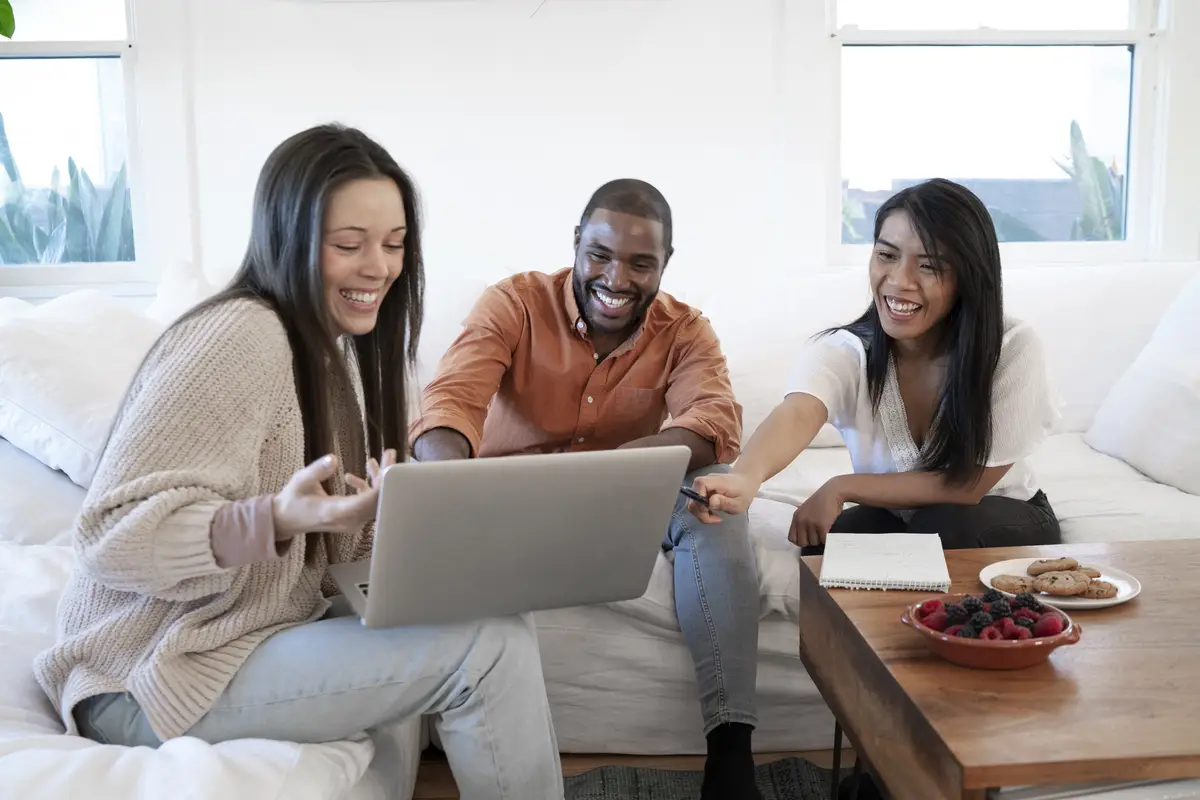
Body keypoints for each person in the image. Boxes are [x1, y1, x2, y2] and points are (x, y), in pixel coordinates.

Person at [33, 124, 564, 800]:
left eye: (395, 245)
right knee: (486, 647)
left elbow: (342, 547)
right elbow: (110, 535)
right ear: (289, 237)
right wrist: (275, 518)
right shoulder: (238, 337)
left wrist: (425, 536)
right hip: (144, 676)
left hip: (247, 639)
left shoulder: (346, 355)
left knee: (477, 618)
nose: (379, 266)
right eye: (349, 245)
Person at [409, 179, 763, 799]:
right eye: (600, 254)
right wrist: (450, 485)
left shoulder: (684, 330)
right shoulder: (513, 303)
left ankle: (730, 757)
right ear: (576, 243)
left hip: (625, 497)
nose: (616, 278)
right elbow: (449, 405)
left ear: (665, 264)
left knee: (716, 501)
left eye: (640, 262)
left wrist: (614, 468)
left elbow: (714, 423)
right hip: (515, 494)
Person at [691, 178, 1061, 555]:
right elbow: (799, 411)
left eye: (929, 265)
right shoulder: (848, 350)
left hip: (1003, 513)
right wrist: (746, 477)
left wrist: (842, 486)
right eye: (886, 255)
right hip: (907, 518)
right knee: (829, 541)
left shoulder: (1011, 346)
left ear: (968, 275)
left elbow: (969, 486)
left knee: (942, 526)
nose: (899, 281)